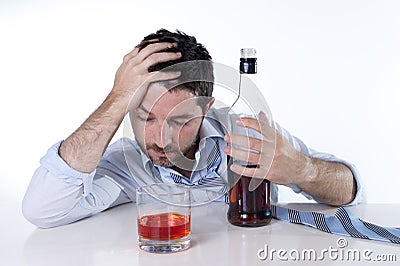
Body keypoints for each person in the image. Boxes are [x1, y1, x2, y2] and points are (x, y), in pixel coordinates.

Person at [22, 29, 362, 228]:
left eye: (180, 121)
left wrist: (301, 169)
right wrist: (117, 97)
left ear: (206, 108)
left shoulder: (245, 130)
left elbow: (350, 191)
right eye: (144, 117)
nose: (159, 141)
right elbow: (42, 210)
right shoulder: (126, 164)